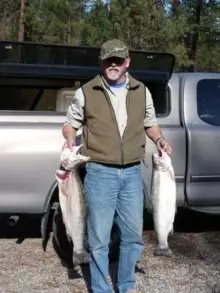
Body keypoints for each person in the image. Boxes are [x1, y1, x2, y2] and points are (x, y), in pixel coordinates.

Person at [62, 39, 172, 293]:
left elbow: (150, 123)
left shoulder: (141, 90)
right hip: (99, 172)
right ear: (101, 62)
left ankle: (125, 285)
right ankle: (101, 288)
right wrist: (69, 137)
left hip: (133, 172)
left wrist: (160, 138)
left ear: (127, 62)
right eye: (108, 60)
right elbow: (70, 124)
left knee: (133, 236)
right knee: (99, 239)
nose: (113, 64)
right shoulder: (86, 92)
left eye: (118, 60)